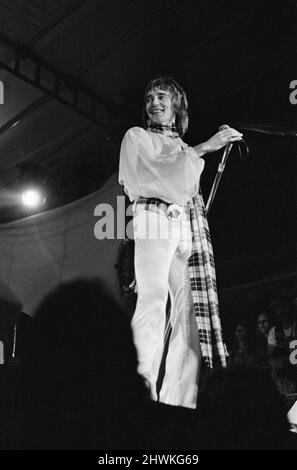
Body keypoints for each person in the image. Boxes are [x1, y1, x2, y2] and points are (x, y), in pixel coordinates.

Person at [118, 76, 243, 409]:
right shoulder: (137, 137)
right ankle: (140, 392)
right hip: (154, 219)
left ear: (176, 106)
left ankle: (180, 405)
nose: (154, 102)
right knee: (153, 300)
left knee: (190, 317)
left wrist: (199, 151)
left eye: (161, 96)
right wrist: (205, 148)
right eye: (149, 98)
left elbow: (182, 177)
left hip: (186, 227)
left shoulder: (184, 150)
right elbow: (152, 176)